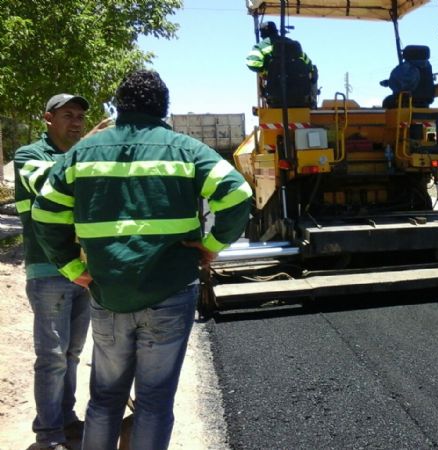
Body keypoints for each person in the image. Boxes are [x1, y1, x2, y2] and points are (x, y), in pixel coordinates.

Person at [32, 70, 252, 450]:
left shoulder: (83, 153)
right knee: (153, 402)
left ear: (119, 106)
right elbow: (236, 194)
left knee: (104, 399)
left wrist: (72, 268)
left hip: (108, 294)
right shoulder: (185, 149)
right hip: (170, 294)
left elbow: (45, 212)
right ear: (163, 108)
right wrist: (212, 245)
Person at [13, 93, 111, 450]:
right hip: (48, 270)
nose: (76, 122)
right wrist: (86, 149)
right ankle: (48, 434)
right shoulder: (28, 156)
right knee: (52, 356)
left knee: (71, 353)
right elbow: (51, 186)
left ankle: (67, 421)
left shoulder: (80, 157)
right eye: (67, 115)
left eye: (81, 117)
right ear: (47, 119)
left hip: (81, 271)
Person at [245, 21, 317, 107]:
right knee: (314, 70)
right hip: (300, 97)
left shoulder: (260, 46)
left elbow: (253, 63)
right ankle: (312, 102)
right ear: (276, 31)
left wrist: (266, 71)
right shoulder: (293, 45)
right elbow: (310, 67)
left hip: (276, 96)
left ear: (262, 34)